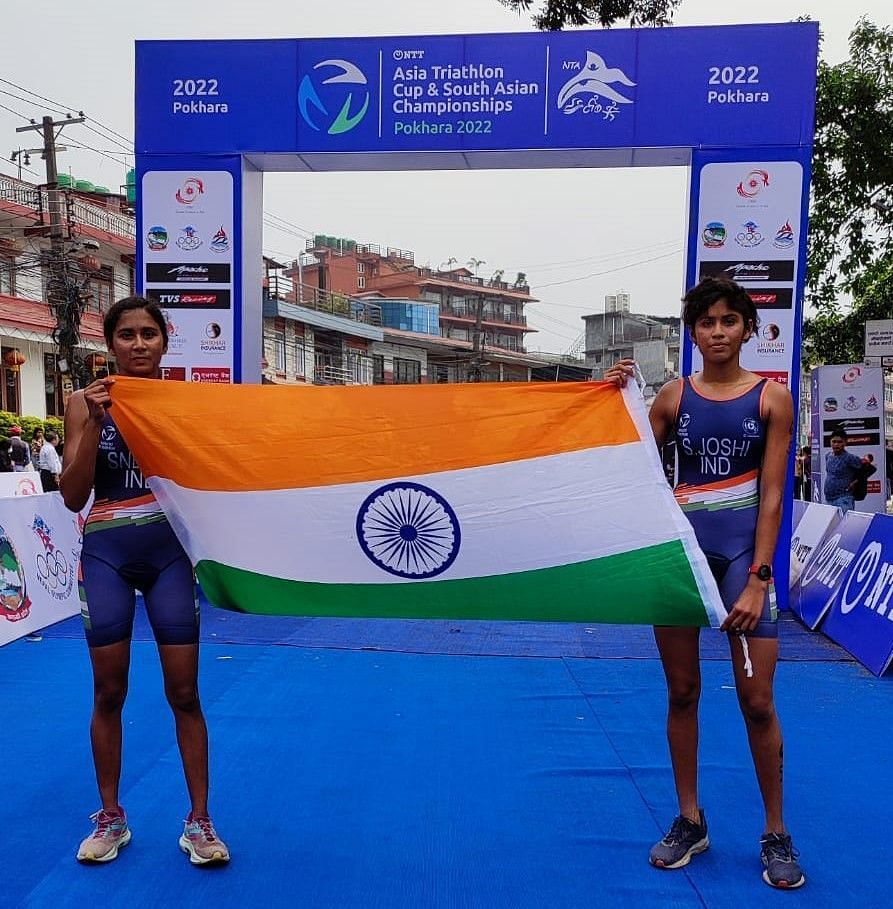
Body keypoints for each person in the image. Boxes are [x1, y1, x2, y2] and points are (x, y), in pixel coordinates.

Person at [606, 276, 804, 890]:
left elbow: (773, 495)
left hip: (745, 563)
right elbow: (625, 454)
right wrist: (616, 398)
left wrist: (758, 580)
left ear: (749, 329)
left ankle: (775, 831)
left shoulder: (773, 400)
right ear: (692, 332)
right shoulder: (672, 397)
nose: (717, 332)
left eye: (728, 321)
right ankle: (690, 819)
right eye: (706, 322)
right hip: (680, 563)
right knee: (683, 692)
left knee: (757, 700)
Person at [60, 296, 229, 866]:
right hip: (106, 553)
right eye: (126, 335)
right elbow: (72, 495)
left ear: (164, 341)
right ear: (110, 345)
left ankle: (200, 821)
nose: (138, 344)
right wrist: (96, 426)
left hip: (169, 558)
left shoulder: (184, 403)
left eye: (148, 334)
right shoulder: (83, 404)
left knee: (184, 692)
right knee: (109, 691)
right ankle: (111, 817)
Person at [823, 430, 862, 513]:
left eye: (840, 442)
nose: (836, 444)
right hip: (829, 500)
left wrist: (855, 482)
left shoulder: (850, 458)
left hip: (844, 499)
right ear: (830, 442)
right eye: (834, 441)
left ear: (845, 442)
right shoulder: (828, 456)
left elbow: (866, 469)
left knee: (844, 525)